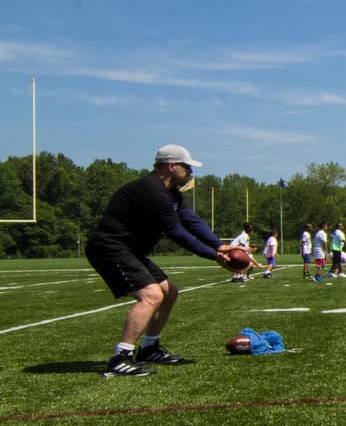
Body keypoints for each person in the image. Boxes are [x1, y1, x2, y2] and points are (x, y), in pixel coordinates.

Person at [84, 144, 235, 377]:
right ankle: (120, 358)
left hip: (130, 250)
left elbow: (189, 219)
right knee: (151, 296)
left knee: (169, 292)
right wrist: (213, 255)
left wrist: (219, 245)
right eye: (187, 167)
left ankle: (149, 348)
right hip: (110, 248)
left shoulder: (171, 193)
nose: (190, 172)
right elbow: (176, 232)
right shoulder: (152, 190)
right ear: (171, 166)